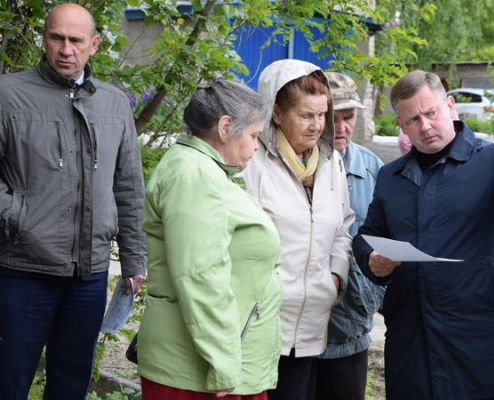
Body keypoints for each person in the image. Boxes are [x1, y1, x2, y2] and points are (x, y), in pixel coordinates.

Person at [353, 70, 494, 400]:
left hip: (477, 340)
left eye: (431, 113)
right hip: (412, 341)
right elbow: (368, 234)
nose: (425, 126)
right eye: (413, 120)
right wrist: (370, 258)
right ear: (402, 126)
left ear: (450, 107)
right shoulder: (391, 177)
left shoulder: (492, 158)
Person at [0, 4, 146, 399]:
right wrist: (17, 216)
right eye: (57, 38)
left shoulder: (114, 104)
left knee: (71, 382)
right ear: (43, 39)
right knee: (9, 378)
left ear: (94, 44)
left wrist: (134, 260)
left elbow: (129, 187)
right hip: (23, 268)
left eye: (76, 40)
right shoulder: (8, 95)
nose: (66, 49)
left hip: (89, 274)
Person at [136, 79, 282, 400]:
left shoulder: (207, 171)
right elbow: (199, 276)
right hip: (197, 372)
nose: (256, 147)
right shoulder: (195, 176)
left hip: (208, 365)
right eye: (254, 136)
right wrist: (224, 362)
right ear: (225, 127)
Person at [242, 60, 355, 400]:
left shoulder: (331, 161)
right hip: (258, 323)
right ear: (276, 113)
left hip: (310, 324)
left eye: (322, 115)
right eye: (306, 116)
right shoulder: (251, 160)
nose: (317, 126)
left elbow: (343, 226)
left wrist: (334, 278)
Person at [307, 72, 386, 400]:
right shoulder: (294, 165)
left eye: (349, 117)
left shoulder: (373, 170)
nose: (341, 128)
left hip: (351, 331)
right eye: (333, 118)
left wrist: (372, 298)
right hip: (299, 329)